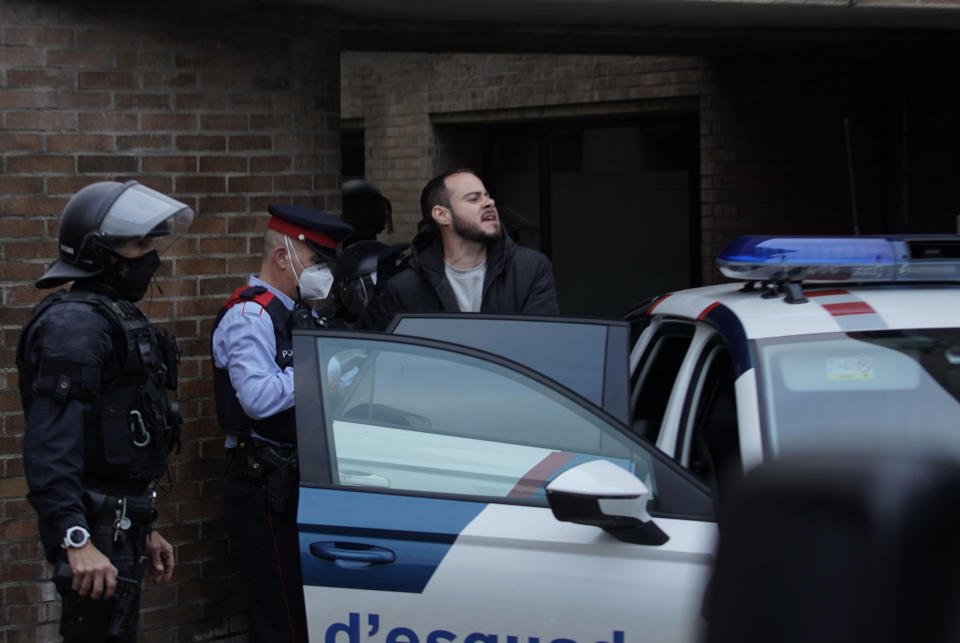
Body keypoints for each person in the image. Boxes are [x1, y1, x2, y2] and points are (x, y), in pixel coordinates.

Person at [17, 180, 192, 642]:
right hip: (93, 533)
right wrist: (75, 539)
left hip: (117, 527)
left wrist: (143, 528)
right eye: (138, 243)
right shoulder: (75, 326)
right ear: (100, 253)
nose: (151, 253)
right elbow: (52, 444)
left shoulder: (110, 316)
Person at [210, 203, 352, 643]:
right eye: (314, 263)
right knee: (281, 614)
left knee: (301, 606)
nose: (320, 275)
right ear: (282, 256)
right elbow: (257, 398)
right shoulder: (249, 316)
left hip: (294, 476)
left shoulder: (298, 312)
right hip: (262, 482)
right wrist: (320, 374)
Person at [359, 169, 559, 330]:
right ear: (441, 214)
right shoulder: (405, 286)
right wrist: (381, 297)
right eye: (474, 198)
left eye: (487, 196)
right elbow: (369, 353)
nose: (490, 202)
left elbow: (541, 345)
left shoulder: (530, 269)